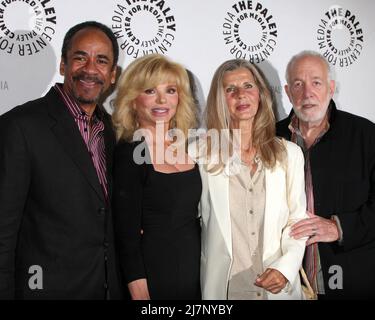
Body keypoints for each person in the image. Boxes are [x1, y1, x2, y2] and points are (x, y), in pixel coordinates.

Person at [0, 21, 123, 299]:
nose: (90, 69)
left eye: (101, 61)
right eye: (80, 57)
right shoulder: (20, 127)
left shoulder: (113, 132)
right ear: (63, 65)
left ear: (113, 74)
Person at [194, 59, 307, 300]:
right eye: (230, 89)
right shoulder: (198, 155)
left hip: (278, 289)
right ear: (219, 99)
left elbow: (297, 222)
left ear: (261, 94)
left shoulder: (290, 154)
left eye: (248, 86)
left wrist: (285, 269)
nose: (241, 95)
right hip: (224, 291)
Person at [277, 50, 375, 299]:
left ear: (331, 88)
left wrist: (339, 228)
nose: (307, 93)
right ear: (288, 92)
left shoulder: (366, 135)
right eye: (298, 84)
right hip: (284, 285)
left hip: (351, 282)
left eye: (316, 83)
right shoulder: (270, 138)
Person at [112, 54, 201, 300]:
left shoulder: (190, 149)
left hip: (194, 274)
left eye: (170, 90)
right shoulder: (130, 154)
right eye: (150, 90)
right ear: (132, 100)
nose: (162, 99)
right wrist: (140, 292)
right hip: (152, 278)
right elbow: (126, 236)